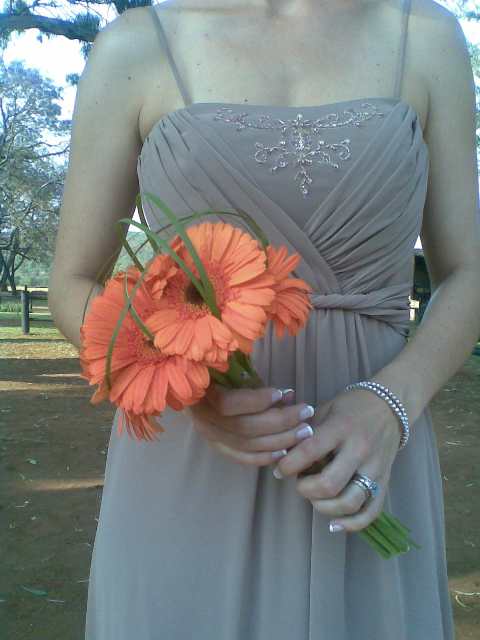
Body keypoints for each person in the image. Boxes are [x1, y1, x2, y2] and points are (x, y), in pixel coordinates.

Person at [47, 0, 480, 638]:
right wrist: (193, 393)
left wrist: (391, 404)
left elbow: (466, 272)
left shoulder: (427, 35)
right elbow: (72, 282)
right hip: (192, 462)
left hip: (368, 461)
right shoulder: (135, 47)